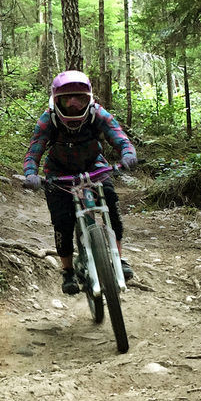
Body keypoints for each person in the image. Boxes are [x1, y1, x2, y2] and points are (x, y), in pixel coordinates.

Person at [23, 70, 137, 294]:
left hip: (94, 166)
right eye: (67, 100)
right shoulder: (49, 119)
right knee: (62, 223)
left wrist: (127, 152)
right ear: (57, 101)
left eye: (80, 99)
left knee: (112, 208)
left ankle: (119, 258)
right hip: (58, 173)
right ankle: (67, 271)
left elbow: (118, 135)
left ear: (89, 99)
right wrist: (31, 174)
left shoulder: (97, 114)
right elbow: (34, 150)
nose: (74, 105)